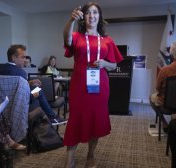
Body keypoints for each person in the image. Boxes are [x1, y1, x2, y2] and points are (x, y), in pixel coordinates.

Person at [63, 2, 123, 168]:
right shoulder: (76, 36)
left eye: (95, 12)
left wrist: (104, 63)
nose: (92, 15)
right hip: (79, 86)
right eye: (88, 12)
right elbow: (67, 39)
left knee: (95, 121)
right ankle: (70, 159)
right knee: (75, 119)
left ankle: (91, 155)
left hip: (99, 86)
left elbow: (114, 66)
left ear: (99, 16)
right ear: (83, 17)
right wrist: (71, 21)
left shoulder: (107, 40)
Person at [0, 44, 67, 126]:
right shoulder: (20, 72)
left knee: (35, 88)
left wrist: (30, 82)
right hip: (22, 99)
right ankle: (52, 117)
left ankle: (51, 114)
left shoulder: (1, 69)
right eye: (22, 57)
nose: (25, 60)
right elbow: (24, 91)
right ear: (13, 57)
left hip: (7, 99)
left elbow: (15, 85)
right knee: (38, 90)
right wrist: (33, 86)